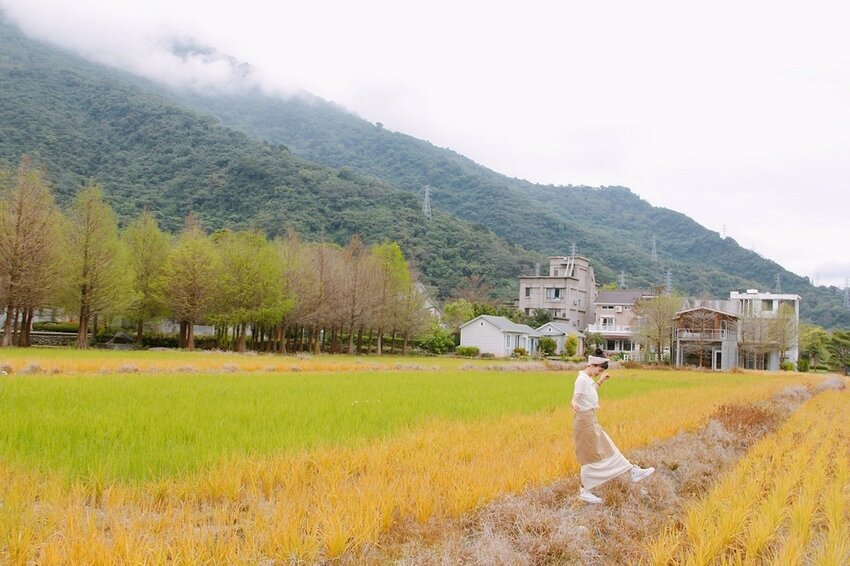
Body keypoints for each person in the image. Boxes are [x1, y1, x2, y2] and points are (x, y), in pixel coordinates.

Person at [571, 351, 654, 504]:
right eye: (599, 370)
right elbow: (575, 398)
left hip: (590, 419)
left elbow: (589, 393)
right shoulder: (581, 380)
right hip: (584, 421)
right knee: (589, 456)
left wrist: (601, 381)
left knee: (608, 447)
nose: (599, 373)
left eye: (601, 372)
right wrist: (574, 403)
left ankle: (632, 470)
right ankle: (584, 490)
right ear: (591, 365)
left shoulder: (587, 379)